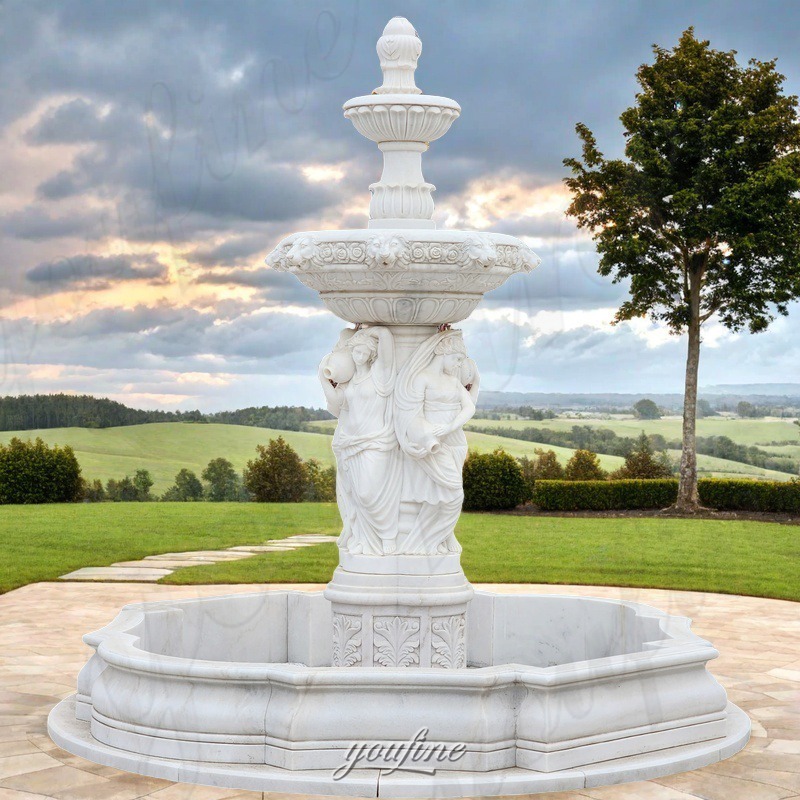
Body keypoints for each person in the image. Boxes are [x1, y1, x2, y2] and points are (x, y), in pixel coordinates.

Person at [394, 329, 478, 554]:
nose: (459, 364)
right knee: (447, 494)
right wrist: (425, 434)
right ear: (443, 353)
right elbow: (411, 413)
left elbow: (469, 407)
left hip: (454, 441)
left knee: (444, 494)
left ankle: (438, 540)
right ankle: (425, 542)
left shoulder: (452, 382)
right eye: (457, 359)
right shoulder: (422, 378)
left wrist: (451, 426)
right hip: (431, 443)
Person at [319, 326, 401, 555]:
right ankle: (362, 538)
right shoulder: (351, 381)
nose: (360, 356)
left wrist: (368, 331)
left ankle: (387, 535)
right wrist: (323, 379)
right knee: (354, 493)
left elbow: (385, 337)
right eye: (356, 351)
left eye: (365, 352)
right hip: (351, 442)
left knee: (368, 491)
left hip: (376, 441)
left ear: (372, 354)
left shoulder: (381, 375)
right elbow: (337, 404)